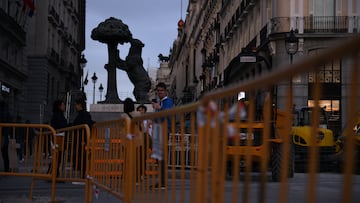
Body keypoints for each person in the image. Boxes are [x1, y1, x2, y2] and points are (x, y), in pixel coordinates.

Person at [150, 82, 174, 189]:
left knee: (162, 157)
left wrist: (159, 107)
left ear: (165, 91)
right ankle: (161, 181)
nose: (159, 92)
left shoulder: (167, 102)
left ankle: (163, 182)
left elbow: (167, 113)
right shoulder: (161, 102)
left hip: (163, 130)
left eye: (161, 90)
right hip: (159, 130)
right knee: (159, 157)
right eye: (158, 91)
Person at [72, 98, 94, 178]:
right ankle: (83, 173)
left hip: (81, 139)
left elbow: (86, 126)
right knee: (81, 157)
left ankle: (84, 173)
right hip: (81, 139)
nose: (75, 106)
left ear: (79, 105)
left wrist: (84, 139)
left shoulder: (83, 115)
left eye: (76, 105)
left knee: (82, 157)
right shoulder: (83, 114)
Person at [49, 100, 68, 177]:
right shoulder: (57, 115)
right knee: (58, 156)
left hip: (59, 137)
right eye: (63, 105)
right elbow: (62, 125)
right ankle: (54, 173)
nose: (64, 106)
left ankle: (54, 173)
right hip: (58, 138)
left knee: (58, 157)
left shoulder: (58, 114)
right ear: (59, 106)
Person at [0, 100, 12, 172]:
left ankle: (6, 168)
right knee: (5, 152)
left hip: (3, 134)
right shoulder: (7, 112)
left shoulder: (3, 112)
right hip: (4, 135)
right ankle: (6, 168)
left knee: (4, 152)